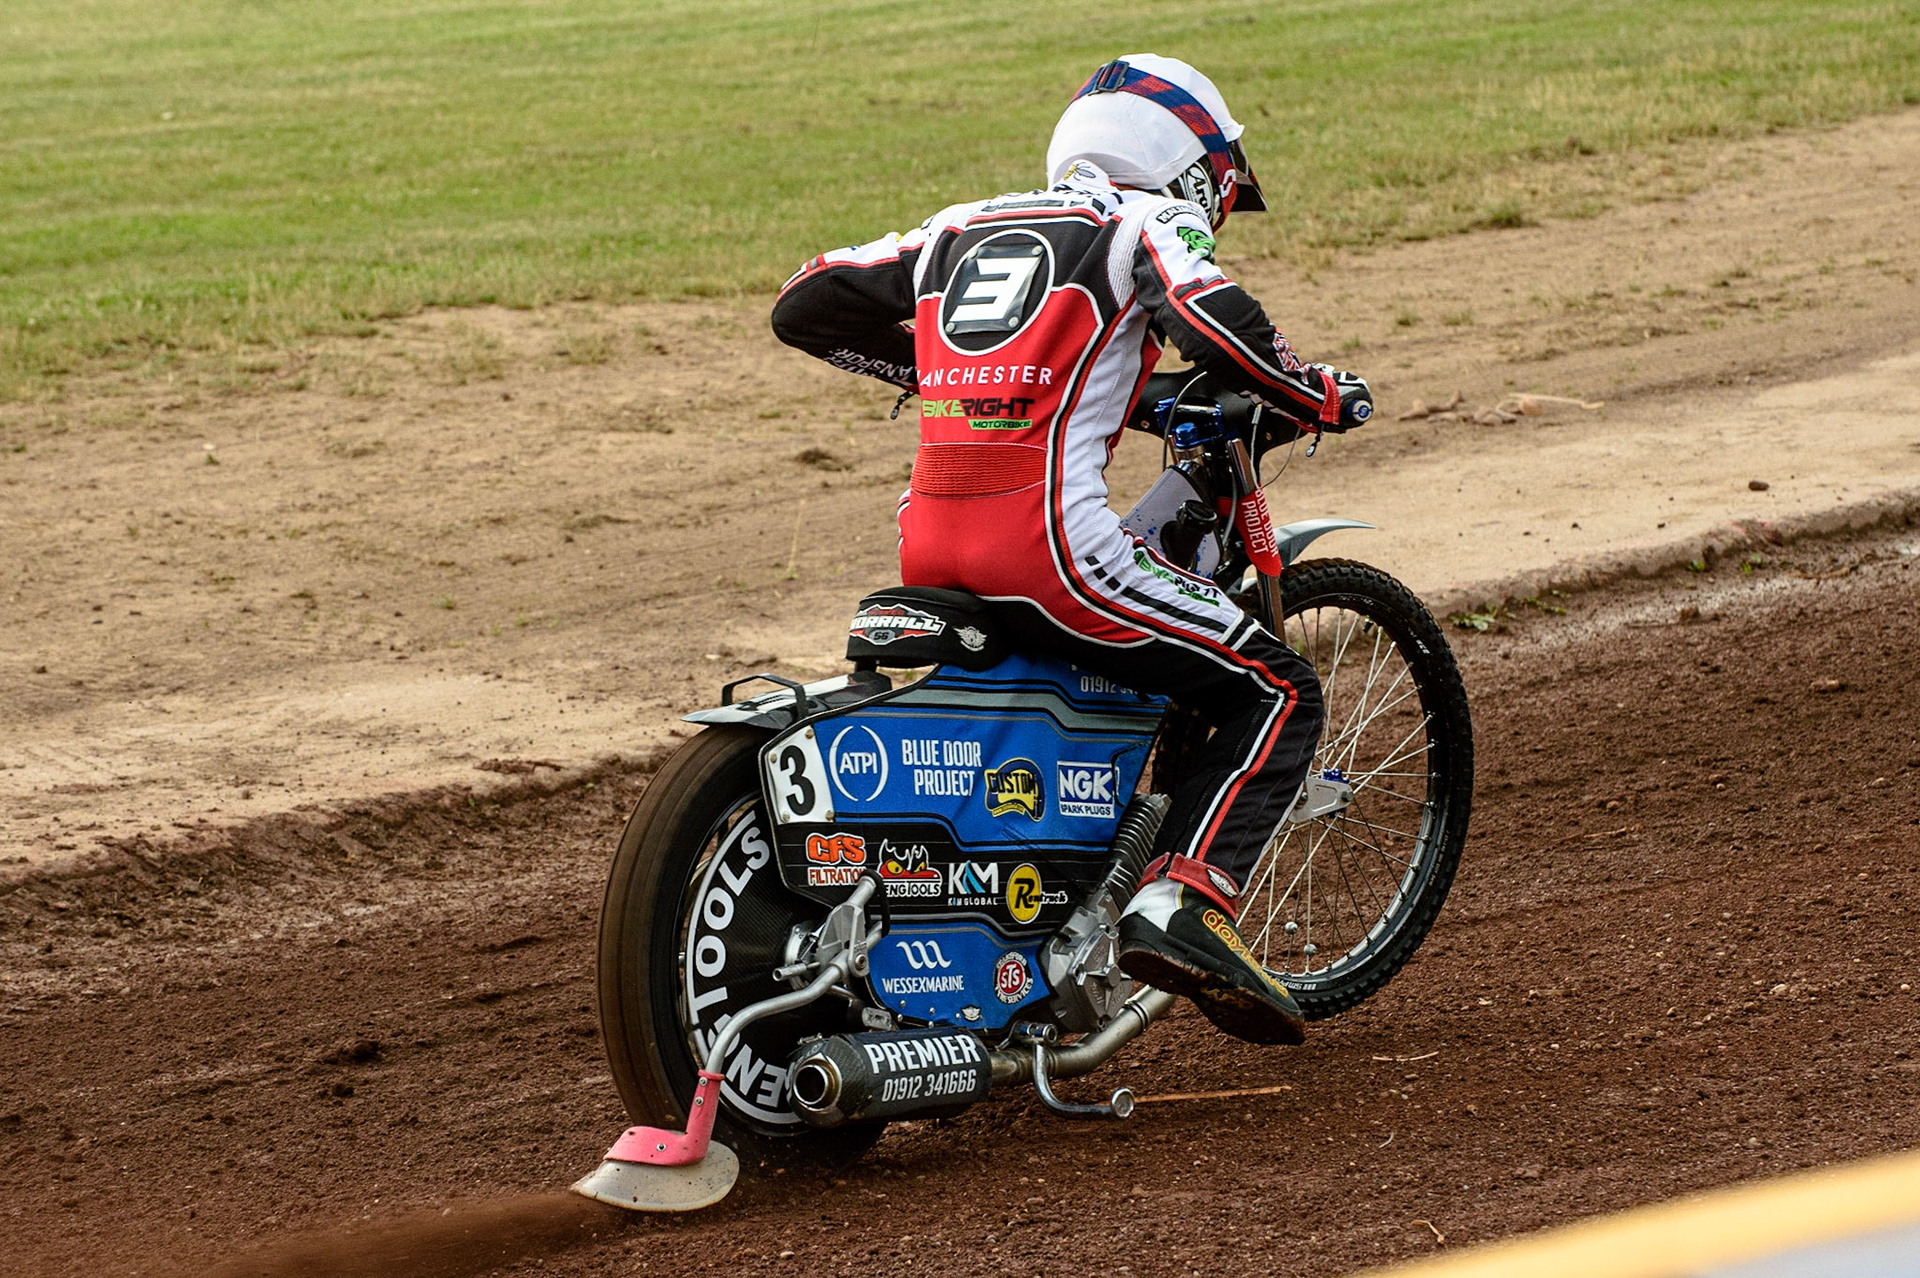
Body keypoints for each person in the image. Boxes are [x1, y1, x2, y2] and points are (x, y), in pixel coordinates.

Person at [770, 55, 1373, 1046]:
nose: (1217, 210)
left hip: (927, 542)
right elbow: (1213, 319)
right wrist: (1312, 393)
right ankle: (1180, 904)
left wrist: (943, 373)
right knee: (1277, 690)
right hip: (1050, 551)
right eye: (1220, 188)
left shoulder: (960, 225)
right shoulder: (1144, 221)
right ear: (1189, 165)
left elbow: (802, 305)